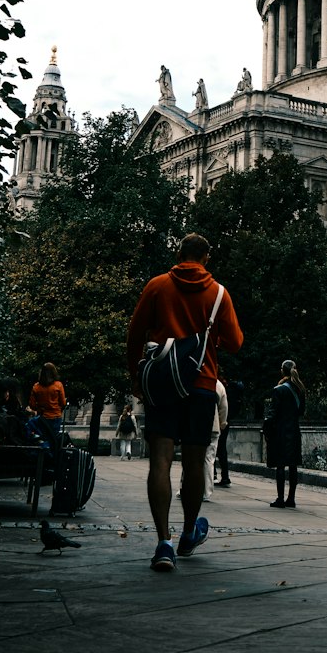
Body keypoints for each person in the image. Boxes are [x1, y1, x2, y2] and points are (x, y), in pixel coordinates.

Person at [126, 233, 243, 572]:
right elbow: (235, 343)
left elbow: (135, 334)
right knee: (194, 462)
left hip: (162, 384)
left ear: (179, 253)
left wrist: (136, 377)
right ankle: (189, 532)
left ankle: (163, 542)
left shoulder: (157, 286)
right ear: (206, 257)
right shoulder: (219, 293)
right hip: (202, 385)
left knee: (159, 461)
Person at [265, 359, 305, 508]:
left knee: (280, 465)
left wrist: (267, 428)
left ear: (283, 371)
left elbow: (273, 413)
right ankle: (291, 498)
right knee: (293, 466)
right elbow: (301, 411)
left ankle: (280, 498)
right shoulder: (300, 389)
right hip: (294, 430)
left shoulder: (279, 389)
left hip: (280, 431)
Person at [28, 362, 67, 450]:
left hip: (43, 417)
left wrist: (39, 408)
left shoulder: (36, 387)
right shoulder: (58, 385)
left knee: (43, 437)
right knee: (54, 439)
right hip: (56, 416)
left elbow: (32, 405)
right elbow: (63, 403)